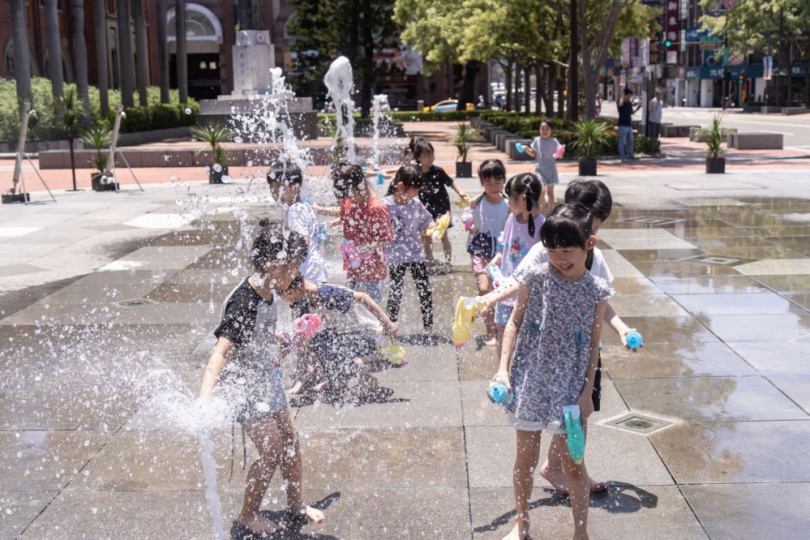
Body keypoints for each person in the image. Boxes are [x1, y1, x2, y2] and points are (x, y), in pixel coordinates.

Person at [478, 179, 641, 498]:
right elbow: (519, 280)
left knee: (583, 410)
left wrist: (622, 328)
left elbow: (601, 301)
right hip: (546, 350)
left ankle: (560, 466)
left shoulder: (592, 252)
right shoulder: (550, 247)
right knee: (545, 422)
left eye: (595, 226)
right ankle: (559, 469)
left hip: (582, 350)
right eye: (588, 222)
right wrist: (490, 298)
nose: (589, 233)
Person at [492, 204, 613, 540]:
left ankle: (580, 533)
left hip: (571, 386)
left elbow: (593, 345)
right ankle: (521, 523)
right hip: (530, 380)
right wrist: (503, 370)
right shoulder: (536, 277)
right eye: (552, 250)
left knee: (574, 464)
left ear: (589, 245)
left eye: (567, 250)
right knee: (524, 459)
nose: (559, 258)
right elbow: (514, 322)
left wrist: (587, 392)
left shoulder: (596, 290)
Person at [198, 223, 325, 536]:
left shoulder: (267, 288)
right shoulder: (245, 302)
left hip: (265, 376)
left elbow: (259, 332)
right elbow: (221, 353)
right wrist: (204, 400)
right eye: (292, 267)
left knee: (290, 441)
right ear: (274, 266)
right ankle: (247, 515)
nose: (296, 275)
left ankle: (295, 505)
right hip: (243, 386)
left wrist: (281, 337)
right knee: (271, 451)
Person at [277, 273, 399, 398]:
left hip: (373, 341)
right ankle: (338, 381)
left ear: (293, 289)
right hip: (352, 339)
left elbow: (362, 296)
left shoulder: (326, 293)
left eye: (281, 293)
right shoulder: (307, 299)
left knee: (325, 343)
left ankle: (367, 381)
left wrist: (388, 324)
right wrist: (280, 358)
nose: (282, 297)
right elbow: (300, 337)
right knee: (318, 340)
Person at [314, 163, 393, 305]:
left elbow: (385, 238)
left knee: (372, 302)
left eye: (349, 194)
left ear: (361, 185)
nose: (348, 198)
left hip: (371, 266)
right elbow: (345, 213)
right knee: (350, 300)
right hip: (352, 259)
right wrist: (326, 214)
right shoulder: (351, 197)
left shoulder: (377, 207)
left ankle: (378, 325)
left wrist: (365, 248)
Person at [487, 173, 544, 366]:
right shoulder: (512, 217)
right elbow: (506, 241)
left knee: (523, 336)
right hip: (504, 288)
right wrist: (499, 256)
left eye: (509, 197)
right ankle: (502, 372)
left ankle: (522, 372)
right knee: (501, 331)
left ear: (522, 199)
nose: (507, 202)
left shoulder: (542, 226)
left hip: (527, 294)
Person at [383, 165, 435, 337]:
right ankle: (391, 325)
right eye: (411, 192)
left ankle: (428, 327)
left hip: (415, 253)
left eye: (415, 193)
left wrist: (432, 226)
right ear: (400, 187)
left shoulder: (416, 204)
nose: (413, 196)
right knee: (395, 292)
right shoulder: (385, 205)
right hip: (394, 256)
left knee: (424, 289)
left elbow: (426, 221)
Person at [467, 159, 509, 346]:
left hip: (501, 252)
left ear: (504, 181)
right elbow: (467, 217)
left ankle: (503, 328)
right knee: (484, 289)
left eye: (497, 182)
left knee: (501, 291)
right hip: (480, 249)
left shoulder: (508, 204)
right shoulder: (477, 203)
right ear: (482, 183)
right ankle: (490, 331)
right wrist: (469, 223)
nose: (493, 186)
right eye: (488, 182)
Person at [413, 138, 470, 274]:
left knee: (444, 236)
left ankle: (448, 262)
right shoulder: (416, 173)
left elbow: (451, 182)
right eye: (426, 155)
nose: (430, 157)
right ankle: (430, 262)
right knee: (427, 237)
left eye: (431, 154)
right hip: (425, 210)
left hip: (442, 208)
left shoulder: (438, 171)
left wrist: (461, 192)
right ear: (418, 157)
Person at [267, 164, 328, 284]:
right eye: (272, 189)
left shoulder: (295, 210)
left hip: (307, 273)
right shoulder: (303, 206)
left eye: (280, 188)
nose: (276, 194)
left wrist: (287, 269)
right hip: (315, 271)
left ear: (296, 187)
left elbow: (303, 241)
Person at [523, 119, 564, 214]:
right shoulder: (537, 140)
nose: (544, 131)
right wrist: (526, 149)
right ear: (539, 130)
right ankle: (542, 213)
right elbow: (533, 153)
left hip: (550, 170)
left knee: (550, 193)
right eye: (542, 129)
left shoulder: (554, 141)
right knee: (541, 192)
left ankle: (551, 213)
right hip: (539, 170)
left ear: (551, 130)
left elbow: (560, 154)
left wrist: (561, 151)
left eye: (547, 129)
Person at [617, 88, 641, 162]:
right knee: (622, 142)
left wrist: (637, 109)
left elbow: (631, 112)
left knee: (630, 141)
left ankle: (631, 155)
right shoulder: (620, 101)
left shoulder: (629, 103)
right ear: (625, 95)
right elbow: (620, 104)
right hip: (622, 125)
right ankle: (623, 156)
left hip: (628, 125)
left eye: (630, 96)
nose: (630, 97)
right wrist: (622, 96)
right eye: (629, 96)